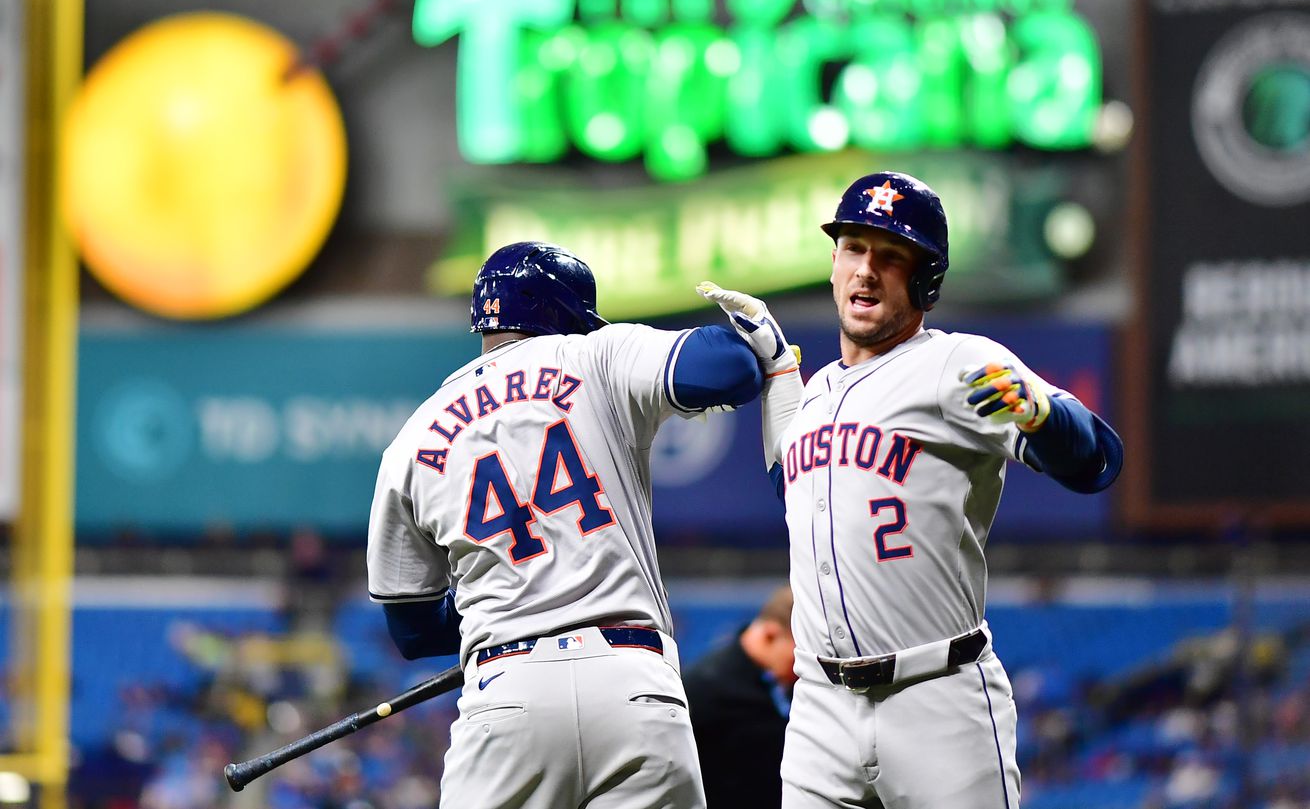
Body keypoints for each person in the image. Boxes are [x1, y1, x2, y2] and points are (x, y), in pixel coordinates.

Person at [698, 171, 1124, 809]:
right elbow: (795, 485)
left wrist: (1044, 415)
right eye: (853, 249)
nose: (866, 271)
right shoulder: (817, 395)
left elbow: (1097, 463)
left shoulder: (954, 363)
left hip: (936, 698)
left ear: (925, 279)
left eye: (891, 256)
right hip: (819, 707)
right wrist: (780, 363)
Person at [366, 241, 764, 809]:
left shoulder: (411, 440)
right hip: (633, 685)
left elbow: (410, 632)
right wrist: (755, 331)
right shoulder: (594, 355)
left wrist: (505, 588)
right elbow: (728, 367)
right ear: (568, 314)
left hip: (507, 692)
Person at [682, 584, 797, 809]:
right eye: (798, 652)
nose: (804, 664)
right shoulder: (704, 687)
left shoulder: (797, 685)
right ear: (771, 635)